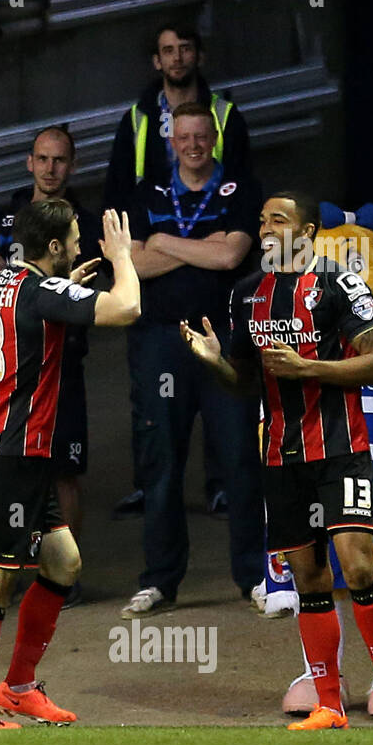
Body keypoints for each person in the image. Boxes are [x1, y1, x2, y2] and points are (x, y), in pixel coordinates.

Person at [181, 191, 373, 731]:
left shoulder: (340, 284)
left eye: (278, 220)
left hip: (341, 449)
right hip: (282, 457)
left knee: (358, 566)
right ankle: (329, 704)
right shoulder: (247, 293)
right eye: (261, 220)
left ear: (306, 234)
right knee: (308, 577)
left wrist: (309, 369)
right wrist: (216, 363)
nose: (265, 229)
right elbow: (245, 382)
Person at [0, 202, 140, 728]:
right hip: (11, 456)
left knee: (63, 562)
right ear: (53, 247)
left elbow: (27, 310)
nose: (78, 246)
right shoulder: (41, 292)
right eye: (73, 239)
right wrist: (122, 257)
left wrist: (63, 289)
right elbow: (126, 308)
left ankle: (19, 687)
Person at [119, 103, 263, 618]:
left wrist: (163, 242)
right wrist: (199, 245)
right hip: (160, 341)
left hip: (225, 336)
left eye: (202, 136)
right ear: (172, 141)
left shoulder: (241, 190)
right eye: (184, 137)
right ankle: (159, 581)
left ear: (213, 139)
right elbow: (133, 264)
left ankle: (256, 575)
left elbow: (231, 256)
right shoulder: (147, 194)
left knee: (240, 457)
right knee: (161, 462)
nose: (194, 145)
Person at [104, 22, 252, 520]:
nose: (177, 58)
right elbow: (119, 197)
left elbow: (234, 246)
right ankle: (151, 491)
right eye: (168, 50)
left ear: (199, 55)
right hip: (157, 279)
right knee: (154, 408)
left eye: (186, 48)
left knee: (223, 405)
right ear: (157, 60)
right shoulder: (138, 118)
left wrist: (167, 242)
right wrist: (190, 245)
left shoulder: (226, 115)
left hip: (213, 291)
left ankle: (221, 487)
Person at [0, 125, 104, 603]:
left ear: (72, 165)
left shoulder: (87, 222)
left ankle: (64, 576)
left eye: (59, 160)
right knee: (13, 471)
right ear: (29, 162)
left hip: (65, 366)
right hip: (14, 366)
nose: (50, 168)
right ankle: (11, 566)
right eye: (42, 158)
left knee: (64, 471)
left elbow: (101, 294)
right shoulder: (7, 218)